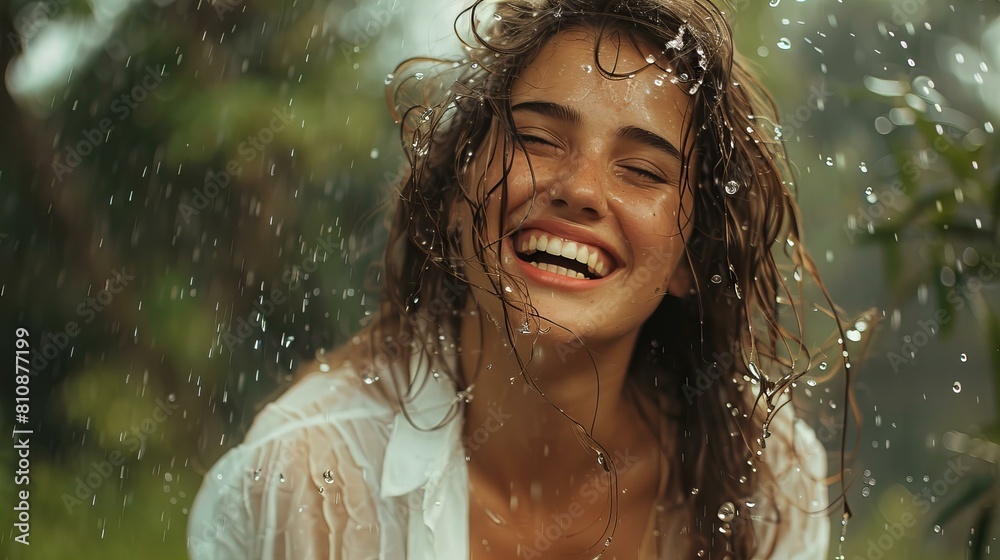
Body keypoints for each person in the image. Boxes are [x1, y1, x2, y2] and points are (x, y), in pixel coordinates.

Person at [188, 0, 848, 557]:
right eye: (537, 138)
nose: (581, 190)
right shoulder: (313, 484)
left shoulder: (764, 479)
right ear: (454, 196)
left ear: (687, 260)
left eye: (643, 171)